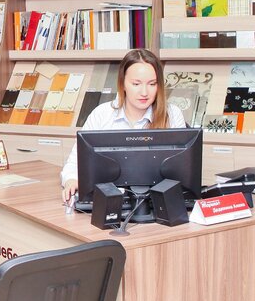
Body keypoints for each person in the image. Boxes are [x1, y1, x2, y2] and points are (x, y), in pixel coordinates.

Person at [61, 48, 185, 203]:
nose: (144, 92)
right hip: (109, 201)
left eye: (152, 84)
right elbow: (74, 163)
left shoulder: (172, 114)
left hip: (158, 203)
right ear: (123, 83)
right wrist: (71, 180)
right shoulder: (102, 114)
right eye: (136, 84)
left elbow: (182, 170)